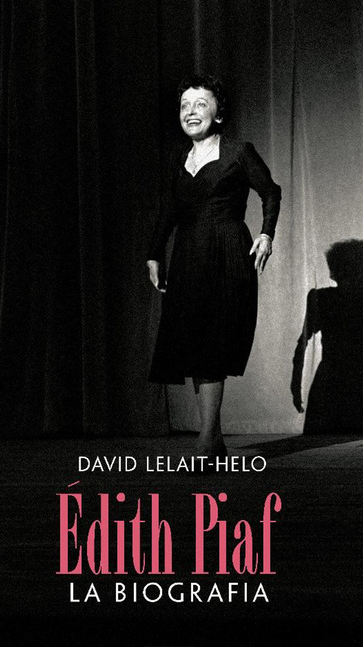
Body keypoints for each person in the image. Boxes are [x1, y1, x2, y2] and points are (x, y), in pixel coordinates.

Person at [147, 74, 281, 458]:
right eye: (185, 106)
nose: (191, 112)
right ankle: (214, 439)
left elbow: (270, 191)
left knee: (212, 342)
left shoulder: (238, 151)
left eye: (201, 104)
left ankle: (206, 440)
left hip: (227, 253)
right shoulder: (179, 158)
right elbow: (169, 210)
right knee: (194, 344)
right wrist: (154, 253)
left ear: (218, 114)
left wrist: (266, 234)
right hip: (188, 255)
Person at [291, 239, 363, 434]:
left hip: (333, 379)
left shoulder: (322, 298)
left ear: (333, 272)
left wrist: (296, 382)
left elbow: (303, 342)